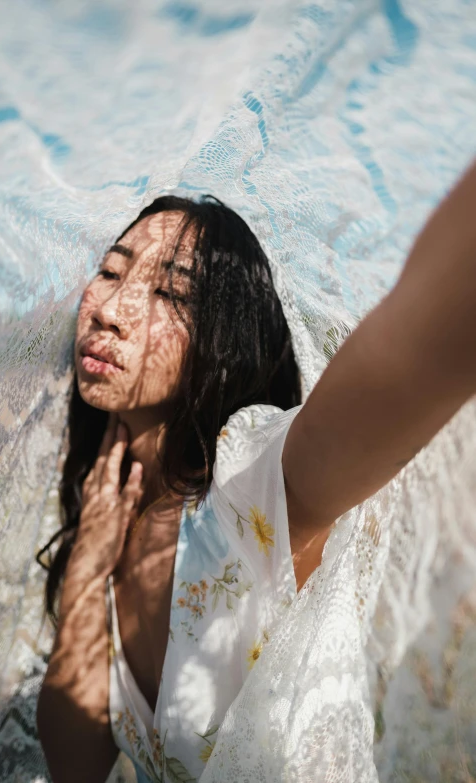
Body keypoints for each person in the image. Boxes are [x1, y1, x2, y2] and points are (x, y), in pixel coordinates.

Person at [36, 160, 476, 783]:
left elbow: (413, 347)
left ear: (223, 335)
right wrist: (85, 568)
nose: (111, 308)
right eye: (110, 271)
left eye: (170, 293)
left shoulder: (252, 489)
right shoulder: (108, 523)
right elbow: (74, 766)